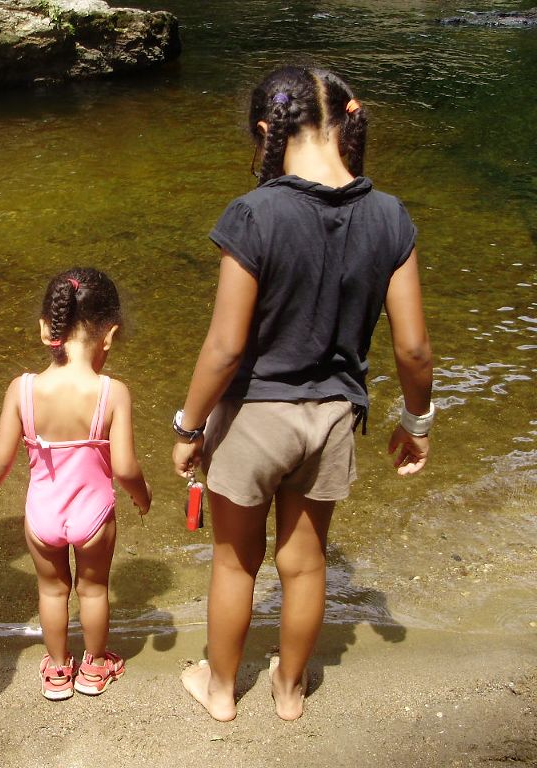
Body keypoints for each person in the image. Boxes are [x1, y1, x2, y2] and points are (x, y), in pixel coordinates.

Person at [171, 66, 433, 721]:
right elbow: (414, 349)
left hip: (256, 416)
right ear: (349, 116)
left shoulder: (254, 214)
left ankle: (221, 689)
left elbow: (225, 348)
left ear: (265, 132)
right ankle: (290, 693)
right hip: (334, 418)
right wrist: (417, 422)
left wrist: (187, 425)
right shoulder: (389, 217)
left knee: (236, 562)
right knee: (305, 562)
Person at [0, 268, 152, 700]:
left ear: (46, 328)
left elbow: (0, 457)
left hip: (41, 515)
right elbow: (124, 467)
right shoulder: (112, 392)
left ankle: (56, 672)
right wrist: (143, 497)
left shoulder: (23, 389)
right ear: (109, 335)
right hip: (94, 515)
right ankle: (94, 667)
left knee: (52, 590)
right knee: (94, 588)